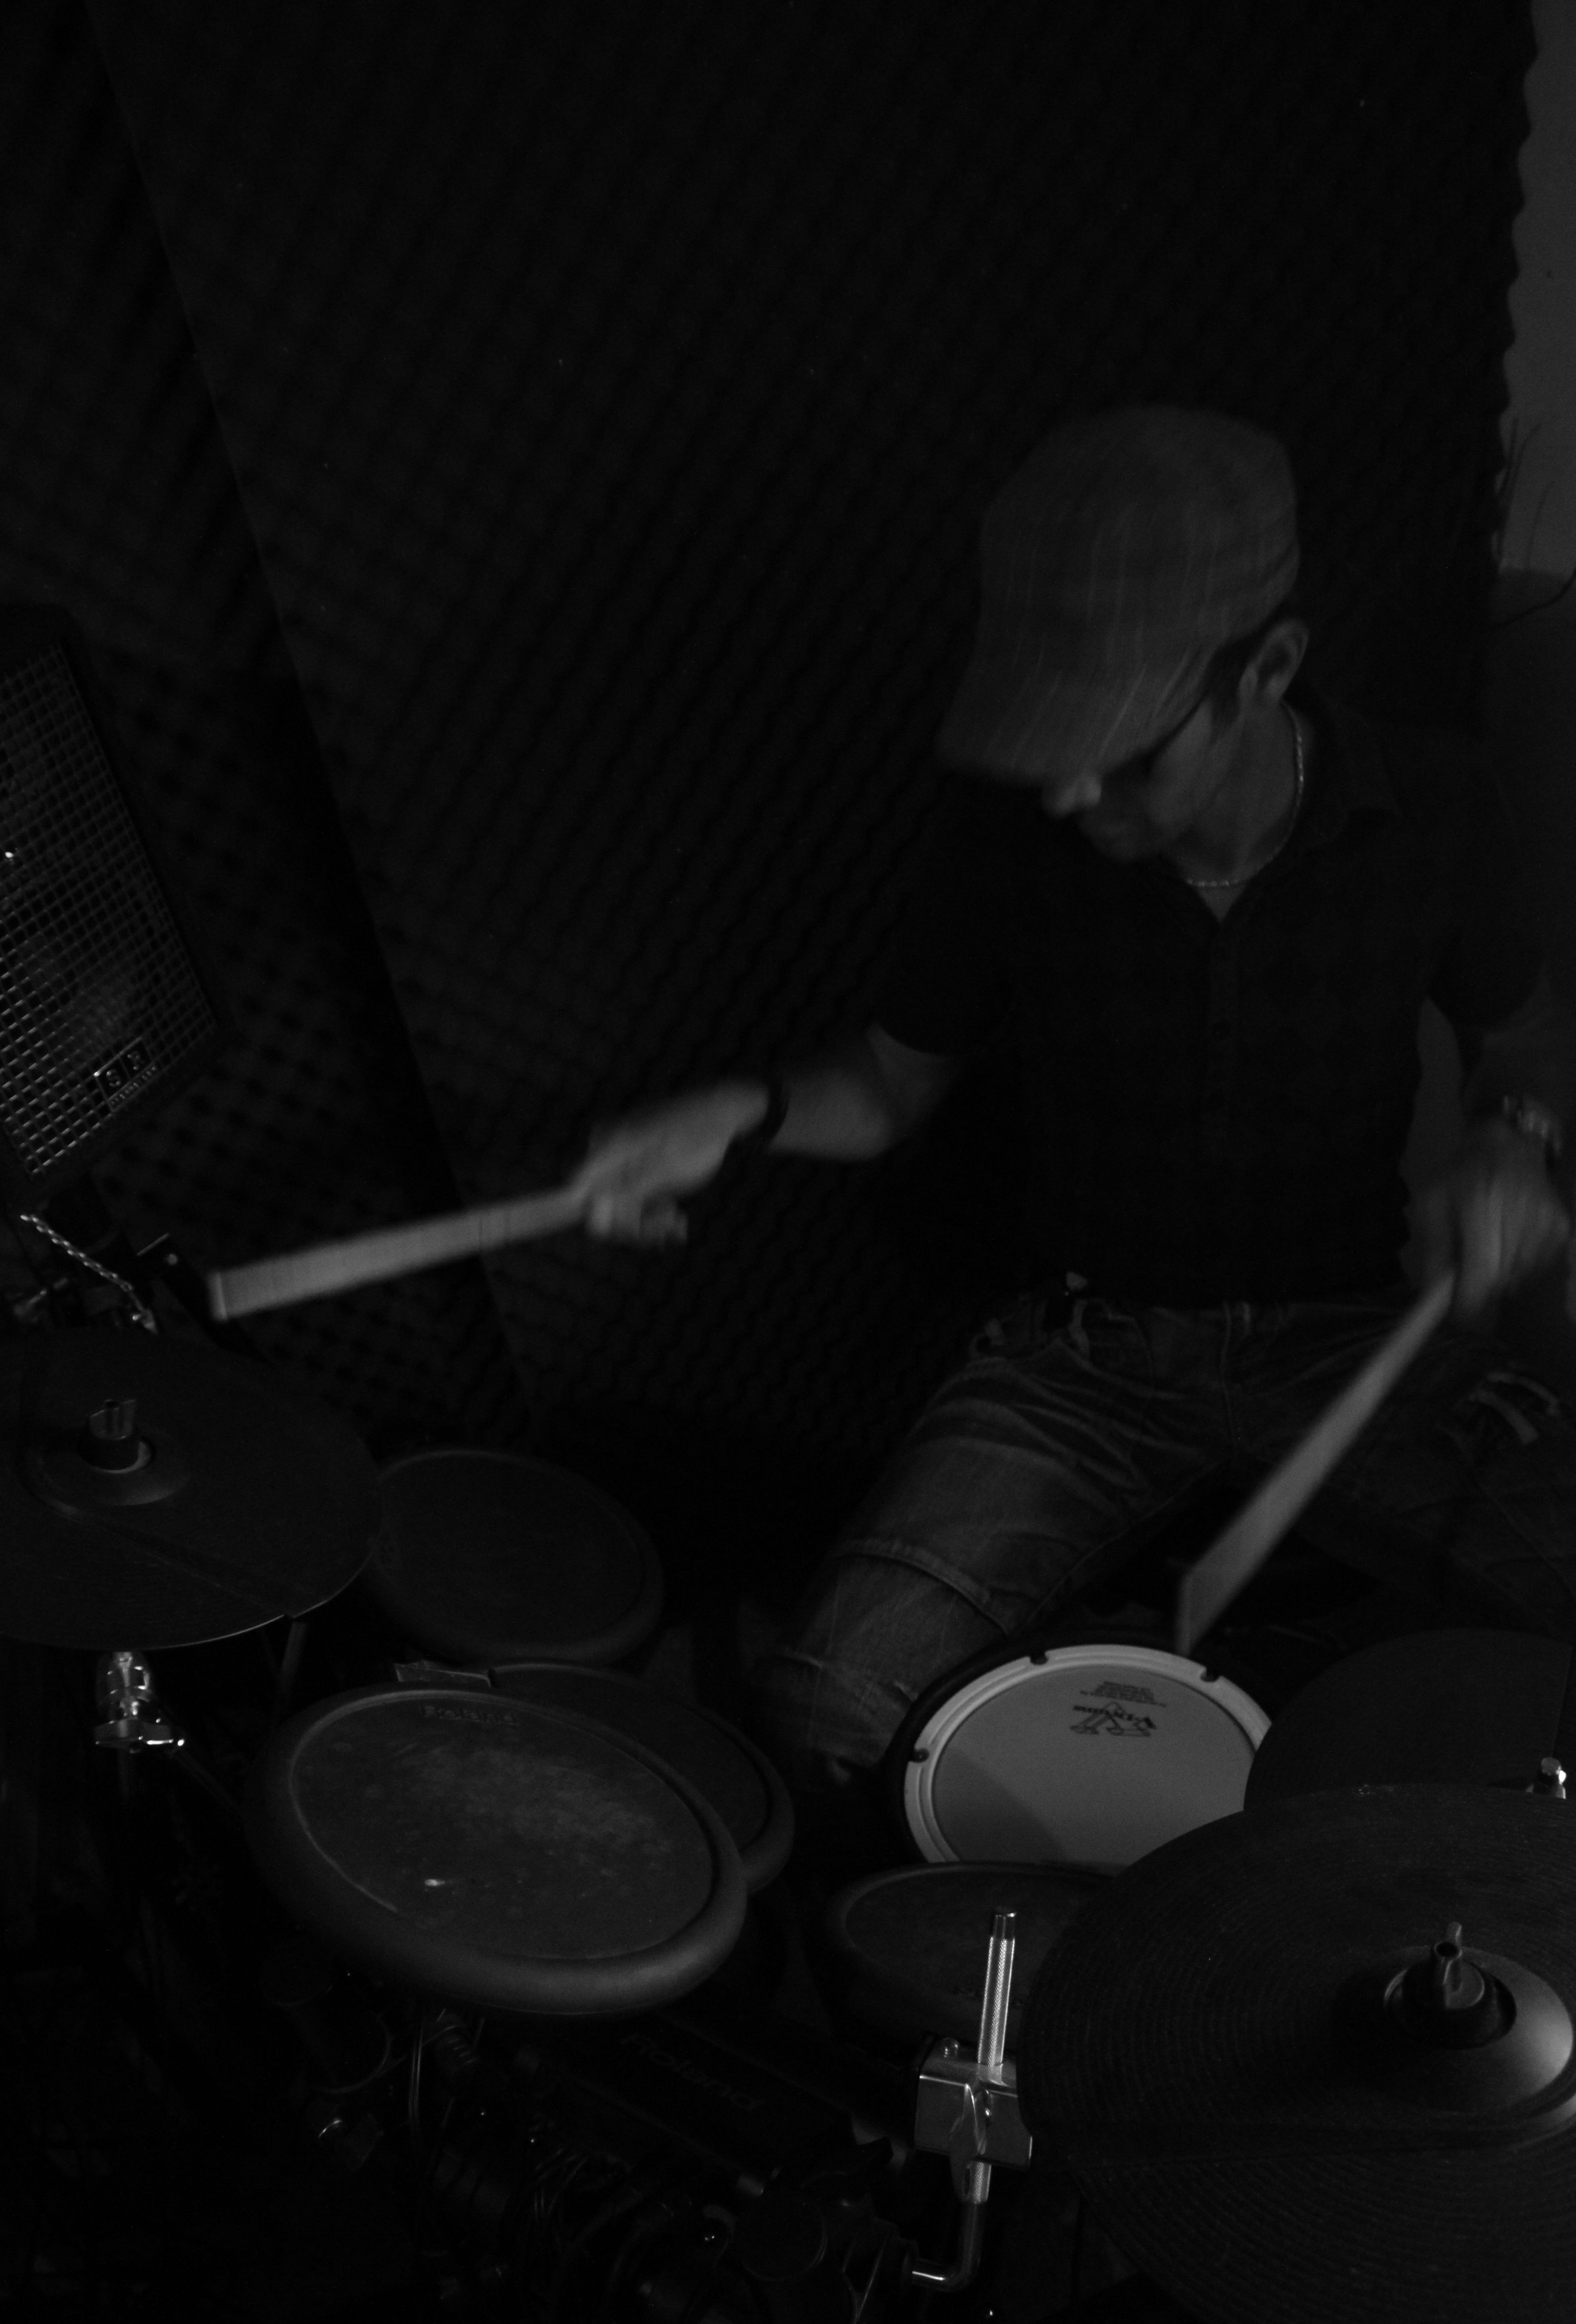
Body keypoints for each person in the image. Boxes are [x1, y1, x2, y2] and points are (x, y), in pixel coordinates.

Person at [567, 406, 1576, 1879]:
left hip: (1351, 1332)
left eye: (1120, 749)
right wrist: (742, 1114)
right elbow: (888, 1084)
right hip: (1083, 1358)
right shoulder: (1007, 841)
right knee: (826, 1710)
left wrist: (1516, 1139)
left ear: (1268, 669)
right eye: (1046, 738)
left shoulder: (1432, 807)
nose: (1064, 789)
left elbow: (1525, 1036)